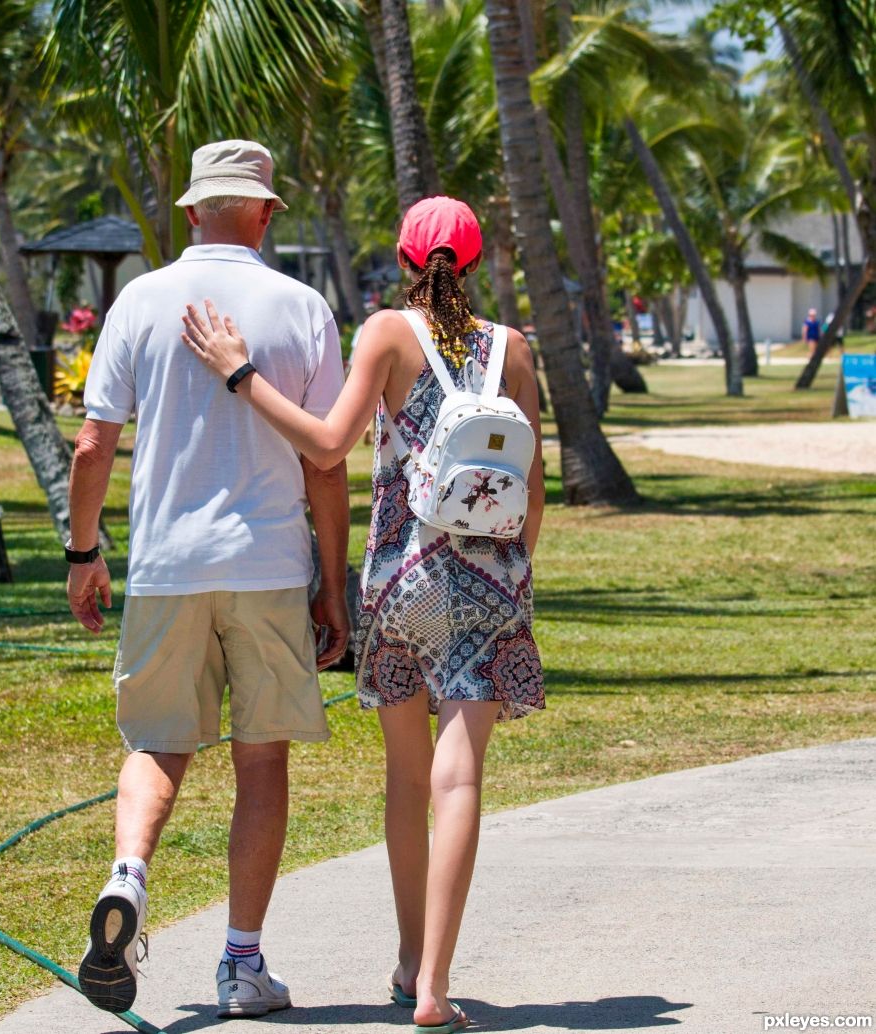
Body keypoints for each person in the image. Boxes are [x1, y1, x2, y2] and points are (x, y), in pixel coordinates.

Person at [180, 196, 545, 1033]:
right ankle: (433, 988)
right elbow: (533, 489)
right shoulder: (513, 350)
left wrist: (241, 375)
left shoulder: (385, 333)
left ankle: (410, 957)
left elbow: (328, 445)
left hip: (403, 579)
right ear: (477, 258)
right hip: (488, 584)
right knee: (460, 780)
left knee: (408, 781)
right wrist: (516, 587)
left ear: (404, 256)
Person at [66, 140, 350, 1019]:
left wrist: (84, 553)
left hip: (164, 567)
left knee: (157, 743)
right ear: (266, 211)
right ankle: (240, 965)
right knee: (260, 763)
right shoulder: (303, 306)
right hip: (268, 565)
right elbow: (327, 464)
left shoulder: (140, 300)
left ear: (191, 210)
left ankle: (127, 875)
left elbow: (93, 443)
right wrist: (332, 587)